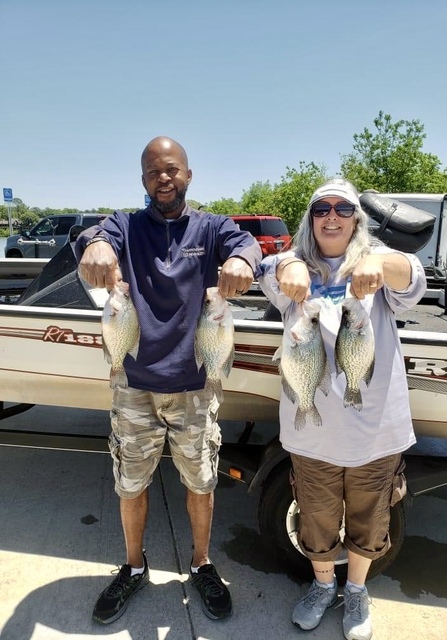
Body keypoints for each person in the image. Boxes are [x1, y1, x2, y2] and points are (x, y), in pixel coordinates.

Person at [75, 136, 261, 625]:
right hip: (133, 383)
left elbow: (247, 243)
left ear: (188, 175)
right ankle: (134, 566)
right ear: (143, 179)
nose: (164, 177)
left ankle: (201, 563)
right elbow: (92, 236)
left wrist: (243, 260)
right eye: (154, 171)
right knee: (129, 483)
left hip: (196, 386)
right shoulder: (126, 224)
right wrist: (94, 245)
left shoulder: (211, 225)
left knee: (201, 480)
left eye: (172, 169)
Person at [256, 178, 426, 640]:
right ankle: (321, 583)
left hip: (375, 430)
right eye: (321, 208)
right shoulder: (292, 273)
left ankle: (355, 589)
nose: (331, 216)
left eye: (343, 209)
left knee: (372, 518)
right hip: (311, 433)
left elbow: (411, 271)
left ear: (356, 219)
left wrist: (376, 259)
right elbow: (262, 263)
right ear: (311, 220)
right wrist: (287, 261)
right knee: (314, 515)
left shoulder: (376, 271)